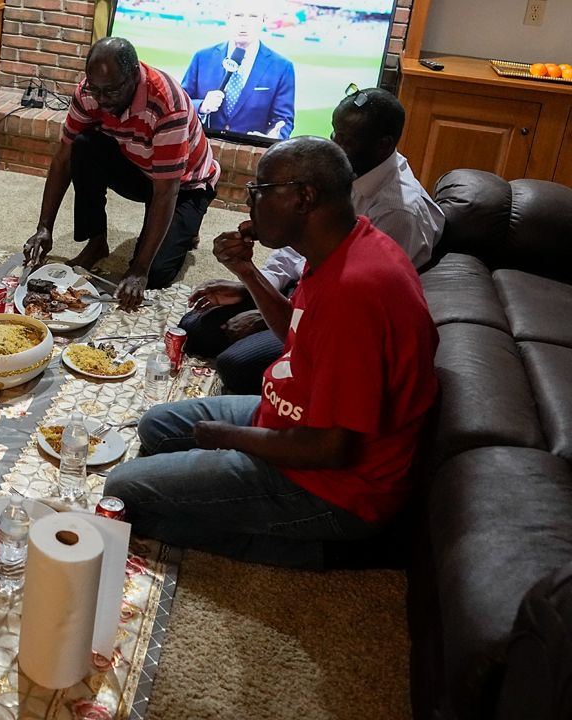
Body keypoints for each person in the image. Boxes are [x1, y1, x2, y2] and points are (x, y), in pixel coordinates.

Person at [104, 137, 438, 568]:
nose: (248, 204)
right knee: (156, 426)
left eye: (259, 192)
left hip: (334, 484)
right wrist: (246, 273)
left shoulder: (356, 291)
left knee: (124, 494)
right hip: (291, 417)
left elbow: (331, 449)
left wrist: (228, 440)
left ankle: (325, 548)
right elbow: (296, 332)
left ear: (304, 197)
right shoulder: (342, 246)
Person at [182, 87, 445, 394]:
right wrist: (257, 285)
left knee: (235, 365)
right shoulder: (344, 172)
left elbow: (349, 304)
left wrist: (267, 316)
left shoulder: (398, 212)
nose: (335, 144)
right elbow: (302, 247)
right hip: (310, 290)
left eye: (346, 138)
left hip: (339, 321)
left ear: (383, 145)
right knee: (194, 328)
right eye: (335, 132)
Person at [22, 37, 220, 307]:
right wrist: (44, 227)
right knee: (84, 145)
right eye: (96, 90)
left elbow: (166, 192)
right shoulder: (88, 93)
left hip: (185, 185)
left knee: (156, 274)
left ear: (134, 76)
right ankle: (96, 241)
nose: (102, 100)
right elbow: (63, 160)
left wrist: (139, 269)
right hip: (140, 167)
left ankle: (187, 229)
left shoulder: (166, 104)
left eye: (112, 91)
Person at [181, 5, 295, 139]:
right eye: (238, 15)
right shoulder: (202, 57)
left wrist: (273, 138)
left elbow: (283, 120)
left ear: (263, 20)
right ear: (228, 18)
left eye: (253, 17)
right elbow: (181, 104)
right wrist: (201, 106)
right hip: (202, 149)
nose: (244, 23)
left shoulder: (282, 67)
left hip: (250, 154)